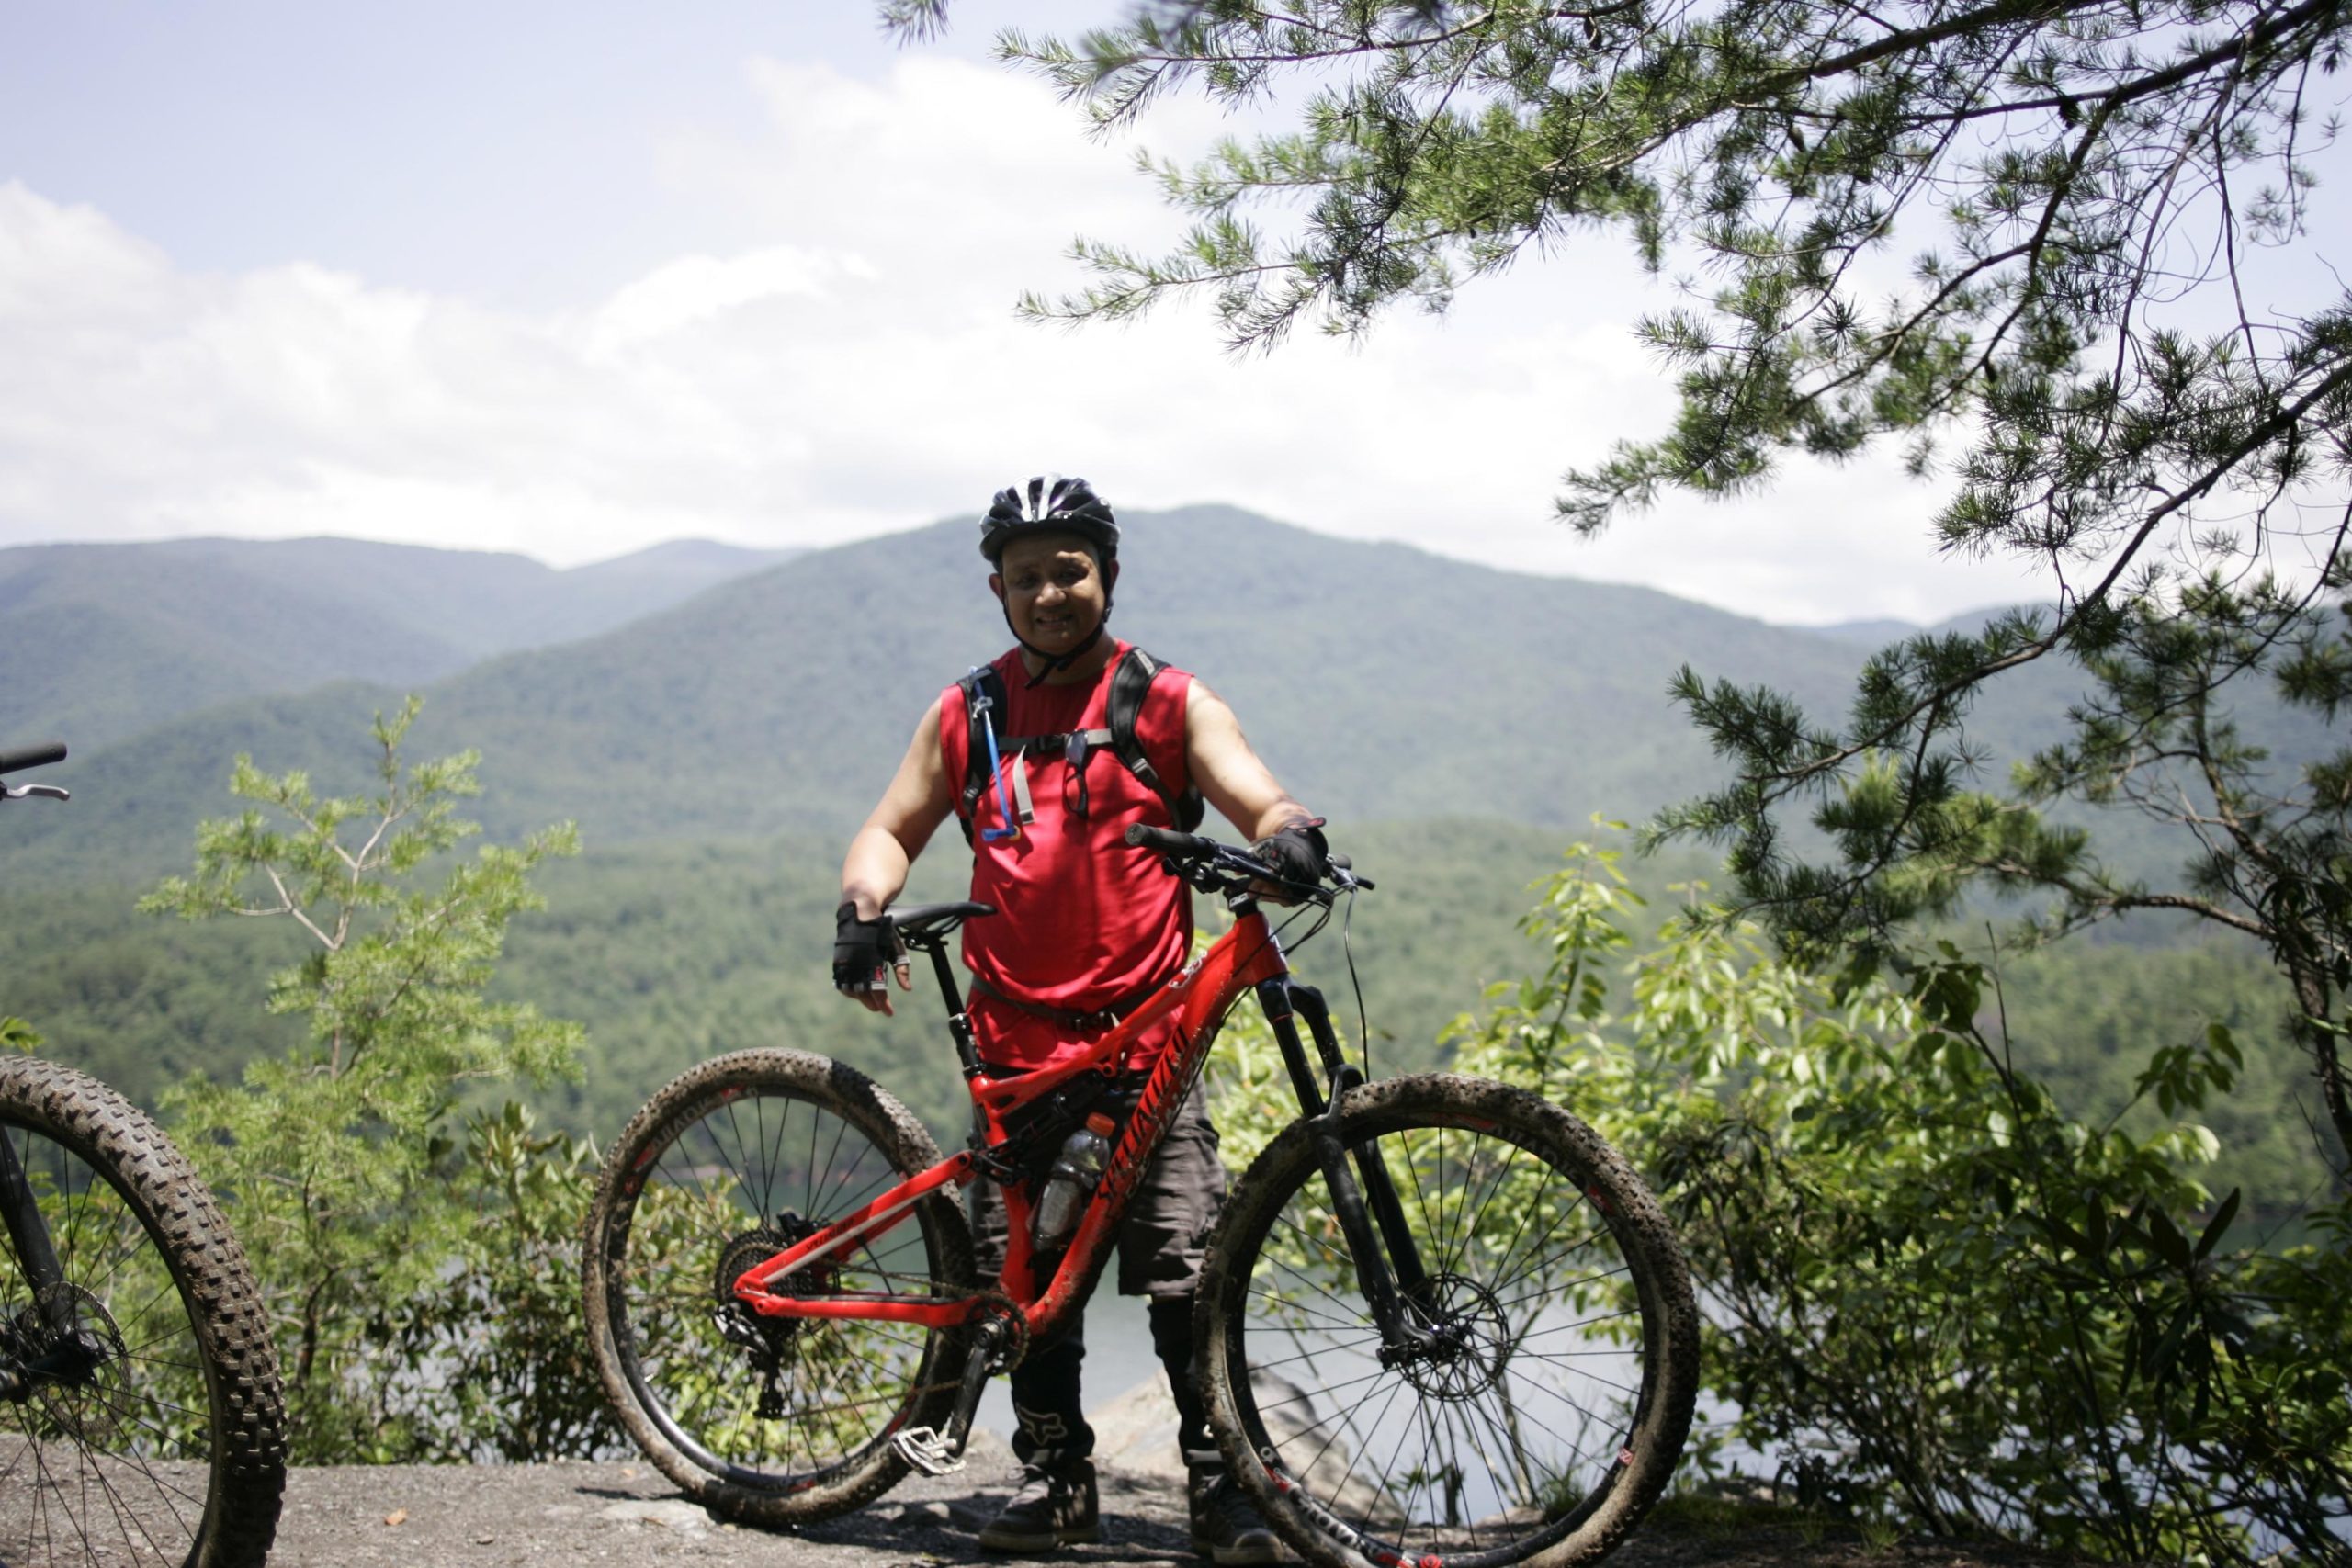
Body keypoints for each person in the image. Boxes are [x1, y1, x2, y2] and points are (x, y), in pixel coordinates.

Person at [832, 475, 1329, 1564]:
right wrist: (861, 907)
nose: (1050, 593)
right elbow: (890, 827)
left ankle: (1223, 1492)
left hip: (1148, 1048)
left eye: (1070, 570)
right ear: (998, 591)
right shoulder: (967, 713)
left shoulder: (1165, 700)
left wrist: (1289, 830)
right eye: (1026, 578)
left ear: (1106, 573)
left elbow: (1254, 790)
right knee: (1029, 1288)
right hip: (1017, 1051)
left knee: (1187, 1275)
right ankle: (1056, 1481)